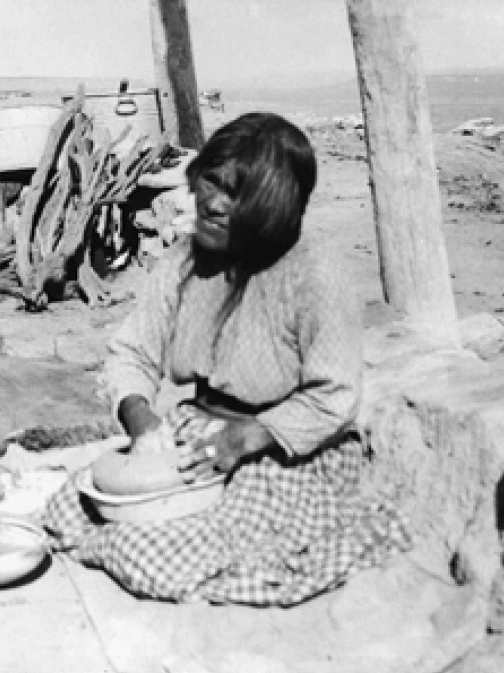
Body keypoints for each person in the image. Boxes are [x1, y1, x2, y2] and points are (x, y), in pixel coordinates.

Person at [40, 112, 411, 606]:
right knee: (69, 508)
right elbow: (133, 351)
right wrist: (141, 420)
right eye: (210, 182)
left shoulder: (316, 272)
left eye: (236, 195)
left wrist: (249, 437)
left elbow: (334, 396)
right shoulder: (186, 260)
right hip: (197, 434)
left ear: (273, 210)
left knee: (161, 558)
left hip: (278, 450)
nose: (211, 204)